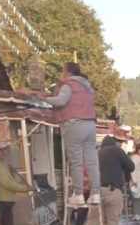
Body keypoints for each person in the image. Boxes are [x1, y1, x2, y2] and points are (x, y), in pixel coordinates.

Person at [42, 62, 100, 207]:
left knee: (76, 162)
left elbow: (61, 101)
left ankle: (78, 195)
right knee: (92, 161)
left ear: (67, 72)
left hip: (74, 124)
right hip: (91, 124)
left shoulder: (69, 85)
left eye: (63, 71)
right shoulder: (88, 87)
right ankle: (96, 194)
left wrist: (44, 98)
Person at [97, 135, 134, 225]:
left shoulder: (98, 153)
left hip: (97, 190)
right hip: (113, 190)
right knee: (112, 221)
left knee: (96, 221)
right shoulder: (117, 151)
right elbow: (131, 166)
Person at [0, 142, 31, 225]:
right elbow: (7, 184)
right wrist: (25, 188)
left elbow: (12, 180)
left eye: (5, 150)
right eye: (0, 150)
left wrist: (13, 172)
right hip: (2, 201)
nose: (3, 153)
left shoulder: (4, 165)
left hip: (8, 201)